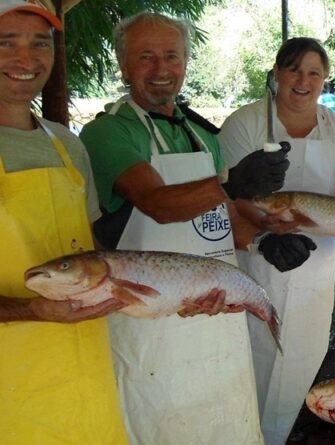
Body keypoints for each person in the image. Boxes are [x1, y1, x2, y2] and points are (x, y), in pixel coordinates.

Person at [79, 12, 289, 444]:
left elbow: (222, 222)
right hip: (151, 327)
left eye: (171, 56)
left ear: (186, 62)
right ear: (123, 65)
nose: (161, 70)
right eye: (146, 57)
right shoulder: (107, 133)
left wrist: (265, 242)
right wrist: (231, 182)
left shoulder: (202, 136)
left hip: (215, 321)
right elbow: (157, 204)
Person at [218, 37, 335, 445]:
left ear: (324, 80)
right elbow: (234, 197)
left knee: (299, 364)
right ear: (277, 73)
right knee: (250, 361)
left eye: (314, 73)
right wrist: (266, 235)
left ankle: (279, 436)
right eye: (294, 70)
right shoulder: (244, 123)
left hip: (315, 270)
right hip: (255, 260)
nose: (303, 81)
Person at [0, 1, 129, 442]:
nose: (26, 59)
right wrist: (30, 309)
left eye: (40, 43)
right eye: (6, 42)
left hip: (86, 372)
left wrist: (179, 290)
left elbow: (91, 254)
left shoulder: (67, 145)